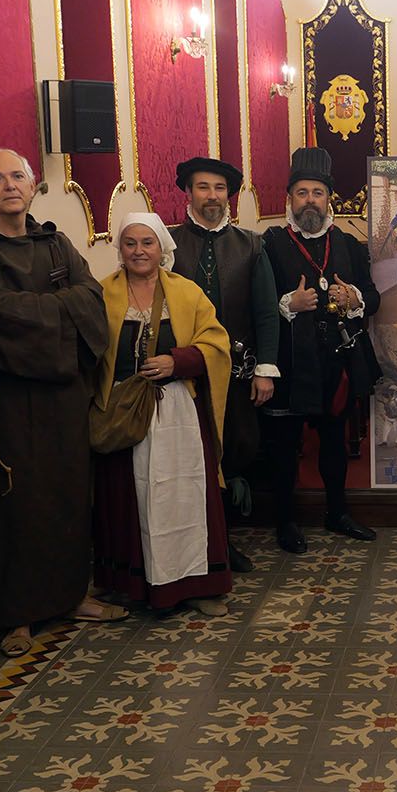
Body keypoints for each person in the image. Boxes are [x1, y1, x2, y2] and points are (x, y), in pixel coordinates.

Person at [0, 148, 123, 658]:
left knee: (69, 493)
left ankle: (72, 595)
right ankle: (17, 614)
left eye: (18, 177)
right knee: (14, 501)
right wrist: (61, 306)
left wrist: (47, 307)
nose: (9, 186)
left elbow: (90, 296)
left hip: (63, 394)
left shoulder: (56, 242)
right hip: (7, 399)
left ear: (32, 187)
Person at [93, 214, 233, 616]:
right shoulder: (100, 294)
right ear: (120, 248)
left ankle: (197, 584)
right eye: (130, 243)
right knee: (129, 499)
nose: (139, 251)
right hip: (124, 414)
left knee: (184, 497)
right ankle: (131, 584)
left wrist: (179, 361)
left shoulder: (186, 293)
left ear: (161, 249)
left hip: (178, 415)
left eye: (147, 243)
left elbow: (216, 342)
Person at [260, 147, 382, 553]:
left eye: (317, 192)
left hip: (337, 361)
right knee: (284, 445)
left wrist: (356, 301)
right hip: (291, 361)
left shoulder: (347, 243)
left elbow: (374, 297)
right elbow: (255, 304)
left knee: (333, 442)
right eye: (302, 193)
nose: (310, 200)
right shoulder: (270, 243)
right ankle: (285, 521)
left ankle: (337, 512)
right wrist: (287, 305)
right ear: (289, 199)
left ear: (329, 198)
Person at [169, 155, 281, 575]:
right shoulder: (166, 244)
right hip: (183, 373)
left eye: (219, 189)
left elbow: (267, 312)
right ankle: (191, 543)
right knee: (188, 453)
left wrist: (266, 367)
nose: (211, 196)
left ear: (228, 196)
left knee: (236, 448)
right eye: (203, 187)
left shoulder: (251, 245)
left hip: (237, 371)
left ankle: (223, 539)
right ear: (188, 192)